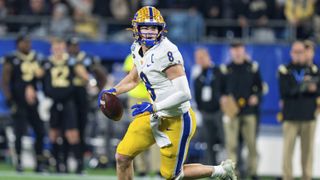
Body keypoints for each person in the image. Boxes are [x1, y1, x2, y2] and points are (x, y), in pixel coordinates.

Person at [98, 6, 236, 180]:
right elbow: (134, 78)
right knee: (122, 157)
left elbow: (185, 94)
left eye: (154, 28)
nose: (149, 32)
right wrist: (113, 91)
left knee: (171, 175)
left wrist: (154, 106)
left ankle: (220, 171)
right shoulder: (137, 48)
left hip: (177, 118)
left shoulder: (167, 52)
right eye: (145, 27)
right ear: (136, 29)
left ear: (160, 29)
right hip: (154, 115)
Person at [42, 38, 88, 174]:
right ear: (52, 49)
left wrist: (89, 80)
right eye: (55, 48)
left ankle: (79, 166)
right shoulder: (47, 62)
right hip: (54, 101)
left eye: (60, 47)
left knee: (72, 133)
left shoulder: (71, 61)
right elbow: (39, 76)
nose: (58, 50)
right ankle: (58, 165)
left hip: (69, 101)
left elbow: (83, 74)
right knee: (54, 134)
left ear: (64, 48)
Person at [1, 35, 46, 172]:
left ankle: (39, 162)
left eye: (28, 42)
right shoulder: (12, 59)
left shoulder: (36, 58)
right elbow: (5, 80)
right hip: (18, 101)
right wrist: (10, 99)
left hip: (33, 102)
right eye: (24, 43)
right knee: (19, 132)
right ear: (18, 44)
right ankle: (19, 162)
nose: (27, 45)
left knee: (39, 131)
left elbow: (41, 76)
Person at [220, 42, 262, 179]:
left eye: (239, 49)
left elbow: (260, 88)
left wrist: (256, 96)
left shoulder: (252, 68)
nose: (237, 52)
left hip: (249, 112)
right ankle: (232, 173)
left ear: (244, 50)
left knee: (251, 144)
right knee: (231, 145)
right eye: (234, 49)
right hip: (232, 113)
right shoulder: (226, 69)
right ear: (231, 51)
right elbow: (219, 90)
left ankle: (253, 172)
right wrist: (223, 98)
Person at [278, 41, 318, 180]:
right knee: (287, 152)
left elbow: (317, 90)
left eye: (301, 52)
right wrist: (305, 86)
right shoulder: (284, 70)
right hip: (290, 117)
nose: (298, 55)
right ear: (291, 53)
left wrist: (312, 88)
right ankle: (287, 177)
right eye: (295, 52)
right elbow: (285, 91)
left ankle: (307, 177)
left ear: (305, 53)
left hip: (308, 116)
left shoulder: (313, 69)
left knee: (307, 152)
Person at [67, 37, 107, 173]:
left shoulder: (86, 59)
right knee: (68, 131)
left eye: (75, 45)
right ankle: (64, 162)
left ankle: (79, 163)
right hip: (66, 98)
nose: (74, 48)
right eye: (71, 46)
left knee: (82, 130)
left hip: (82, 98)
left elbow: (101, 74)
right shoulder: (63, 59)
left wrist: (97, 92)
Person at [122, 54, 161, 176]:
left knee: (156, 132)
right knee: (138, 132)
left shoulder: (158, 55)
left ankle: (157, 168)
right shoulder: (132, 57)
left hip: (153, 98)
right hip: (136, 98)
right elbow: (131, 76)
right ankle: (141, 168)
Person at [193, 48, 224, 165]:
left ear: (208, 57)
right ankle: (211, 169)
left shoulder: (218, 72)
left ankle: (229, 167)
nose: (199, 61)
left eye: (202, 57)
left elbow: (224, 89)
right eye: (197, 59)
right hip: (206, 113)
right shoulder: (198, 77)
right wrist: (201, 110)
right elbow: (197, 96)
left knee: (225, 140)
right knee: (208, 142)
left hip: (219, 112)